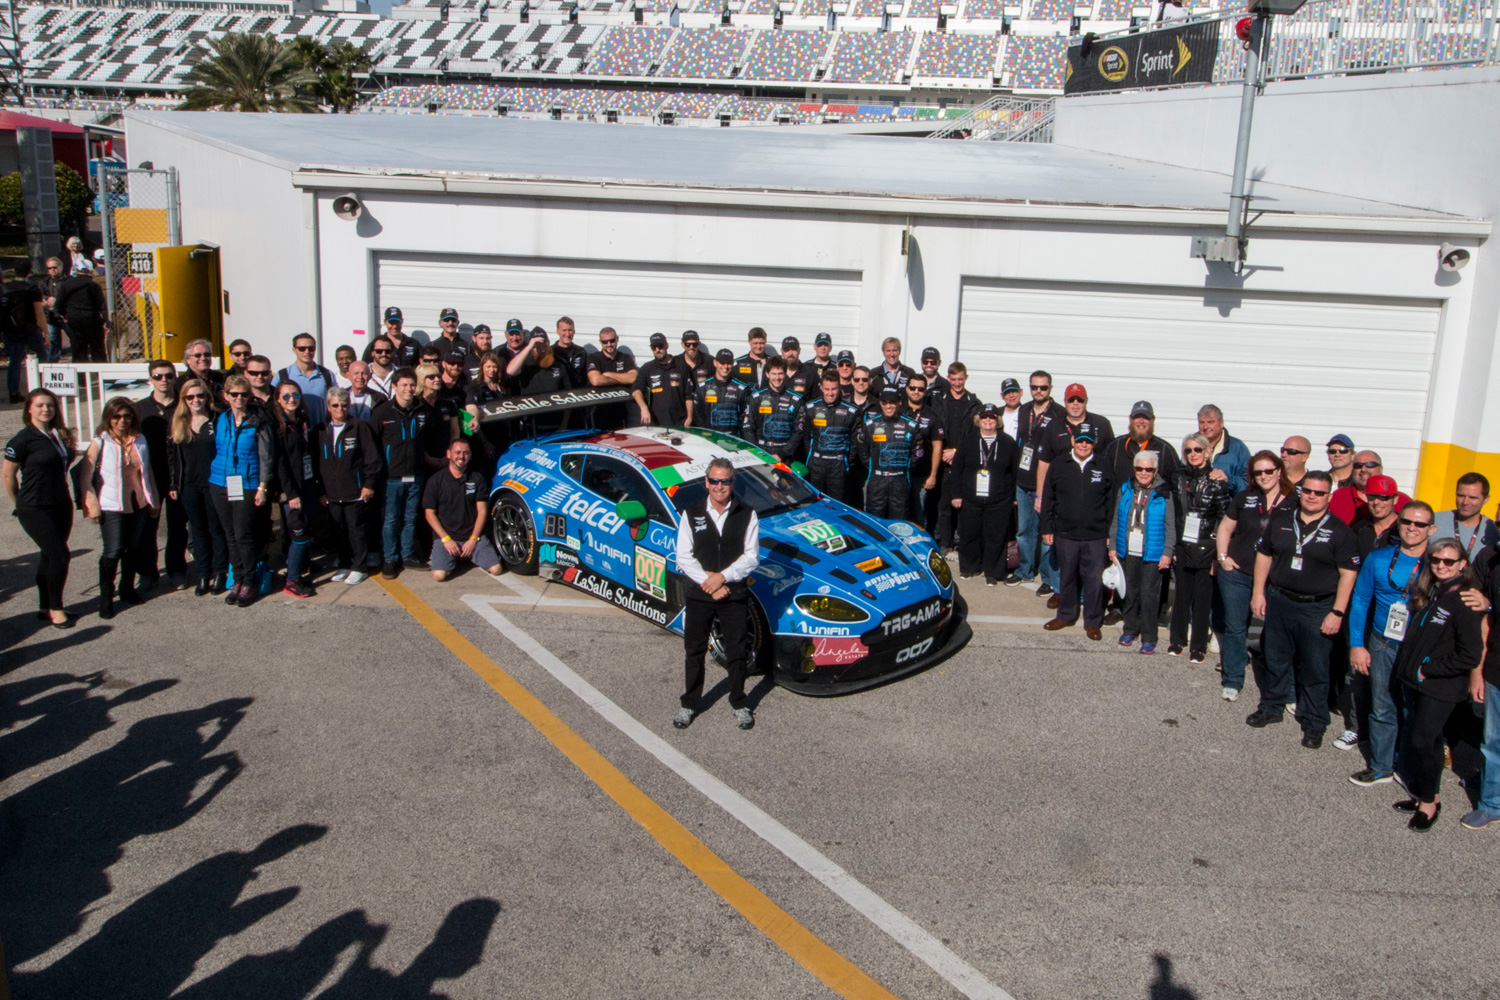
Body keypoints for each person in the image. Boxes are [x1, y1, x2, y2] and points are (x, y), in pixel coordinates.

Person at [1248, 470, 1360, 748]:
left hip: (1317, 608)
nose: (1312, 496)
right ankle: (1272, 707)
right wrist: (1258, 592)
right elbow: (1265, 554)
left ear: (1329, 496)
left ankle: (1314, 722)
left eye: (1319, 493)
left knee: (1315, 667)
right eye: (1307, 491)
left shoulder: (1340, 530)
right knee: (1275, 658)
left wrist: (1337, 612)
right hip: (1280, 600)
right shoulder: (1282, 520)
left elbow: (1348, 574)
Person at [1391, 537, 1485, 832]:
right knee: (1424, 742)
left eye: (1449, 561)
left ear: (1462, 565)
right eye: (1436, 560)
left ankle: (1429, 804)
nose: (1441, 565)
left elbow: (1470, 653)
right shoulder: (1433, 591)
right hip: (1418, 681)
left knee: (1423, 740)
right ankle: (1424, 794)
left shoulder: (1465, 600)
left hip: (1439, 685)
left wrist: (1429, 670)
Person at [1346, 501, 1435, 787]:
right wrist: (1357, 645)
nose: (1412, 528)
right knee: (1382, 705)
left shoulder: (1440, 563)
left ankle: (1408, 766)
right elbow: (1360, 601)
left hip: (1420, 649)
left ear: (1431, 529)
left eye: (1420, 524)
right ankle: (1382, 766)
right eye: (1407, 521)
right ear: (1399, 523)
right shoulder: (1379, 558)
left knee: (1414, 710)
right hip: (1382, 642)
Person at [674, 457, 761, 732]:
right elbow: (683, 557)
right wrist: (709, 582)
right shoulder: (691, 512)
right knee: (694, 650)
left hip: (733, 594)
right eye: (714, 481)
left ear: (733, 483)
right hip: (700, 593)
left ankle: (739, 702)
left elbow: (752, 557)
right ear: (706, 482)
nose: (719, 486)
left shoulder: (747, 513)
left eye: (725, 481)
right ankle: (689, 703)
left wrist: (723, 577)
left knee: (737, 651)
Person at [1214, 451, 1295, 701]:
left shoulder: (1295, 500)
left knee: (1278, 632)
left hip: (1275, 578)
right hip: (1238, 573)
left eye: (1269, 471)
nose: (1263, 476)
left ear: (1279, 470)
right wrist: (1222, 558)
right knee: (1236, 628)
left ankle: (1285, 690)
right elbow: (1226, 527)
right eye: (1258, 472)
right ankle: (1233, 679)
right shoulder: (1245, 497)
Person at [3, 388, 77, 627]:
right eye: (40, 405)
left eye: (50, 405)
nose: (46, 409)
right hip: (34, 507)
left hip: (61, 503)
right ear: (29, 409)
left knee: (49, 555)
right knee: (59, 555)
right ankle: (57, 609)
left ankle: (45, 606)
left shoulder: (58, 435)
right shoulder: (22, 440)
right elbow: (7, 475)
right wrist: (19, 504)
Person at [80, 397, 159, 619]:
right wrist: (92, 505)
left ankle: (127, 589)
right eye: (117, 416)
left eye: (127, 416)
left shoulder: (140, 439)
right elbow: (85, 478)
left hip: (138, 502)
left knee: (133, 548)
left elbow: (147, 472)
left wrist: (154, 500)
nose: (122, 421)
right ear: (109, 418)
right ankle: (106, 596)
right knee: (113, 550)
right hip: (111, 504)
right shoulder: (100, 441)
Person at [1035, 384, 1114, 609]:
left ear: (1086, 401)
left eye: (1080, 400)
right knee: (1060, 555)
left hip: (1092, 507)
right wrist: (1040, 497)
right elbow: (1044, 462)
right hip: (1062, 501)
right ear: (1065, 402)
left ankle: (1088, 604)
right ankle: (1060, 592)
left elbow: (1109, 462)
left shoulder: (1101, 424)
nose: (1076, 404)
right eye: (1071, 400)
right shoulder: (1054, 425)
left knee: (1090, 563)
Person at [208, 374, 275, 607]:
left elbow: (266, 458)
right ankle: (236, 579)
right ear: (226, 396)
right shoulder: (221, 419)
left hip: (247, 483)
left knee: (243, 534)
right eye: (234, 394)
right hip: (219, 481)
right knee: (229, 534)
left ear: (249, 396)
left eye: (243, 394)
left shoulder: (259, 422)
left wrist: (262, 486)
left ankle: (249, 582)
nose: (239, 398)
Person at [1041, 424, 1112, 640]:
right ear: (1073, 441)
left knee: (1093, 580)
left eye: (1088, 441)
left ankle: (1092, 621)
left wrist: (1109, 531)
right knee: (1067, 576)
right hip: (1065, 533)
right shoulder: (1059, 464)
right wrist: (1046, 527)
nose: (1083, 444)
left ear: (1094, 443)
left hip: (1096, 535)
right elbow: (1048, 498)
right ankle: (1066, 615)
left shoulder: (1104, 465)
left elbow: (1111, 501)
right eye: (1080, 440)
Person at [1168, 433, 1232, 661]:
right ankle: (1177, 640)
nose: (1193, 454)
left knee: (1203, 598)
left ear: (1207, 452)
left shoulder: (1217, 481)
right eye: (1188, 450)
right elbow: (1172, 511)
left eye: (1198, 450)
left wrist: (1219, 552)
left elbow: (1224, 518)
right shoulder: (1177, 477)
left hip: (1207, 547)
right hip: (1184, 545)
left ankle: (1198, 645)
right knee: (1181, 595)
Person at [313, 387, 382, 586]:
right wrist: (321, 491)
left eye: (344, 405)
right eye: (335, 405)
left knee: (357, 530)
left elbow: (372, 458)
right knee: (338, 531)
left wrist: (369, 484)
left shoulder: (359, 427)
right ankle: (344, 563)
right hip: (332, 494)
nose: (340, 409)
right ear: (328, 407)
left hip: (356, 492)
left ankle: (360, 567)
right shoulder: (319, 430)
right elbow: (316, 463)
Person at [1109, 451, 1175, 654]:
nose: (1144, 473)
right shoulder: (1126, 488)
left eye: (1148, 469)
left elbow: (1170, 525)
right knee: (1130, 592)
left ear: (1155, 471)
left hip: (1153, 552)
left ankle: (1149, 636)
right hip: (1128, 549)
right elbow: (1116, 519)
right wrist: (1112, 545)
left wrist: (1167, 551)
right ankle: (1129, 629)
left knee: (1149, 595)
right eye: (1139, 468)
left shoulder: (1164, 492)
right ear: (1134, 469)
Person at [372, 369, 435, 578]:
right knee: (391, 519)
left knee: (410, 518)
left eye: (411, 385)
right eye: (404, 385)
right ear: (394, 387)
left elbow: (428, 438)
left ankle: (407, 555)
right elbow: (373, 445)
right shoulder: (382, 412)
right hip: (391, 477)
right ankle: (390, 559)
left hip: (416, 475)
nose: (408, 389)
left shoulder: (421, 410)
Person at [168, 378, 227, 596]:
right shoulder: (179, 421)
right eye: (190, 397)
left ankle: (220, 572)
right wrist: (174, 483)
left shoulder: (218, 419)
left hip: (214, 484)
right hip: (189, 485)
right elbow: (172, 457)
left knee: (216, 530)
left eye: (200, 396)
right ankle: (204, 574)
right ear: (184, 399)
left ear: (207, 397)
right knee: (198, 530)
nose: (196, 400)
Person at [133, 359, 187, 590]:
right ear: (150, 379)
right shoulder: (139, 409)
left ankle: (176, 570)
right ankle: (147, 573)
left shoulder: (184, 405)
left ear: (175, 377)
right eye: (158, 376)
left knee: (177, 526)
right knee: (147, 526)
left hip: (179, 475)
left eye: (168, 375)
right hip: (150, 476)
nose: (163, 380)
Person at [950, 404, 1018, 586]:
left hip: (999, 499)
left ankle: (993, 572)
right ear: (978, 420)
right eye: (985, 417)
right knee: (969, 533)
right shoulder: (967, 440)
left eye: (992, 417)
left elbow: (1014, 472)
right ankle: (969, 567)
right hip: (971, 497)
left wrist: (1012, 496)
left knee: (995, 536)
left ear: (998, 420)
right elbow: (956, 470)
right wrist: (956, 494)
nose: (988, 421)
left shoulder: (1008, 442)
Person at [423, 438, 501, 582]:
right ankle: (457, 557)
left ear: (470, 455)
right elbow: (429, 514)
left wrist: (473, 539)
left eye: (465, 453)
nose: (461, 456)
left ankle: (467, 555)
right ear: (449, 454)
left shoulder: (477, 478)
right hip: (447, 538)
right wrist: (446, 539)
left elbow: (482, 512)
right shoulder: (435, 481)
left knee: (496, 569)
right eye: (457, 452)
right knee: (439, 576)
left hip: (472, 537)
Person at [1016, 370, 1066, 594]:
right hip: (1023, 479)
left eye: (1043, 388)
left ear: (1050, 389)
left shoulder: (1059, 414)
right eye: (1034, 387)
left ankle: (1047, 577)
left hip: (1047, 484)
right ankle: (1025, 570)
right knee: (1024, 530)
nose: (1038, 391)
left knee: (1047, 534)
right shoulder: (1024, 409)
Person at [271, 380, 318, 597]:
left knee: (304, 529)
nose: (292, 400)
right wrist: (290, 493)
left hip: (307, 484)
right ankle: (291, 580)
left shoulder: (302, 420)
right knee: (298, 533)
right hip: (292, 492)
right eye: (286, 396)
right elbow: (279, 463)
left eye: (296, 395)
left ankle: (297, 570)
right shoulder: (277, 426)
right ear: (278, 400)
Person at [931, 362, 982, 554]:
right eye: (953, 379)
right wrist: (945, 452)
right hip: (944, 460)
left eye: (961, 379)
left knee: (963, 506)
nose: (957, 383)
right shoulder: (939, 400)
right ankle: (945, 543)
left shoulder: (974, 404)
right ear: (948, 379)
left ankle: (962, 543)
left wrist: (957, 453)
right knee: (944, 505)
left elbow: (976, 435)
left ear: (966, 378)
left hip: (965, 462)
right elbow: (934, 430)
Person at [857, 387, 917, 520]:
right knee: (875, 520)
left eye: (892, 402)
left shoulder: (911, 425)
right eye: (884, 402)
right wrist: (874, 467)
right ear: (880, 403)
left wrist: (901, 467)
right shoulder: (870, 425)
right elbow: (862, 451)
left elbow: (917, 453)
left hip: (900, 480)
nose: (888, 406)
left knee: (900, 520)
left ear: (899, 402)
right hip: (877, 479)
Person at [799, 370, 860, 500]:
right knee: (815, 501)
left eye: (834, 389)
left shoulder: (851, 410)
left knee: (836, 503)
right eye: (827, 389)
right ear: (821, 387)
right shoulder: (811, 408)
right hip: (817, 463)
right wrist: (812, 458)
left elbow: (854, 441)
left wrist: (846, 462)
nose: (830, 393)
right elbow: (806, 437)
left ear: (839, 388)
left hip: (838, 464)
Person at [901, 374, 944, 532]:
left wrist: (933, 475)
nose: (916, 392)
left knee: (919, 514)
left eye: (920, 389)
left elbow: (938, 447)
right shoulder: (899, 411)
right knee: (900, 513)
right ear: (907, 389)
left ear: (925, 391)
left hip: (921, 475)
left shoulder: (932, 415)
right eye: (913, 388)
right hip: (899, 473)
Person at [1104, 400, 1179, 487]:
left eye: (1146, 417)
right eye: (1137, 416)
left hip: (1153, 500)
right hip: (1121, 499)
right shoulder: (1115, 446)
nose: (1141, 421)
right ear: (1130, 419)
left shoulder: (1165, 449)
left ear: (1153, 420)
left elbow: (1177, 482)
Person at [742, 357, 802, 462]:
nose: (777, 378)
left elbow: (799, 431)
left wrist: (781, 454)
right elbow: (748, 427)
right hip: (761, 451)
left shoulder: (796, 399)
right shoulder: (756, 397)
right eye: (774, 374)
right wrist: (758, 452)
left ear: (785, 374)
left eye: (780, 373)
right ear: (767, 374)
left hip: (785, 455)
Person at [4, 259, 46, 403]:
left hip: (11, 330)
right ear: (30, 271)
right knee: (42, 358)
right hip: (30, 329)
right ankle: (42, 388)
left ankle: (13, 392)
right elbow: (39, 314)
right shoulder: (32, 289)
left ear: (14, 271)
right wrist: (45, 332)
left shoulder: (3, 288)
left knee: (14, 361)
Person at [1329, 450, 1410, 524]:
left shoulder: (1402, 500)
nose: (1363, 469)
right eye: (1358, 465)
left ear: (1381, 469)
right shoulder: (1338, 497)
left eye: (1370, 465)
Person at [1432, 472, 1499, 559]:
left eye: (1472, 498)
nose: (1465, 502)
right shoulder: (1434, 520)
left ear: (1486, 499)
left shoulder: (1493, 529)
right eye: (1461, 496)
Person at [276, 333, 338, 426]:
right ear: (294, 350)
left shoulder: (327, 375)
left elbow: (336, 402)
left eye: (311, 348)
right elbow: (274, 404)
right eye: (302, 349)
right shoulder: (283, 375)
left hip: (321, 431)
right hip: (294, 431)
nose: (307, 351)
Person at [633, 332, 693, 427]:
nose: (657, 350)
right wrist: (643, 407)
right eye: (654, 347)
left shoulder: (681, 366)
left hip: (680, 423)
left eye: (660, 346)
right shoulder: (647, 368)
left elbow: (689, 396)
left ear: (667, 345)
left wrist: (689, 417)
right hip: (656, 424)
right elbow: (636, 390)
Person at [54, 262, 108, 363]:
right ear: (91, 271)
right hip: (92, 319)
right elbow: (102, 305)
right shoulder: (94, 285)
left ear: (77, 270)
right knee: (98, 350)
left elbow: (58, 304)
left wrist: (65, 315)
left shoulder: (66, 284)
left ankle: (81, 377)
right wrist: (106, 320)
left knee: (78, 349)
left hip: (74, 319)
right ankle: (103, 376)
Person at [691, 349, 750, 436]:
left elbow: (745, 418)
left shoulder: (742, 388)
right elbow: (697, 416)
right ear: (715, 363)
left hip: (733, 439)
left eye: (729, 363)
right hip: (710, 438)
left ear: (733, 364)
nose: (725, 366)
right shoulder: (703, 387)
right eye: (722, 362)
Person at [586, 326, 636, 429]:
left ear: (617, 339)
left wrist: (608, 375)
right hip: (599, 411)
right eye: (605, 342)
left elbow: (633, 378)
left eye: (612, 341)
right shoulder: (594, 358)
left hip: (621, 411)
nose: (609, 344)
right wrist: (622, 380)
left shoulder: (625, 358)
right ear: (600, 342)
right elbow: (596, 380)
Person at [1197, 404, 1250, 494]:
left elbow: (1248, 484)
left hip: (1228, 506)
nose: (1205, 427)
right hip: (1197, 506)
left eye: (1210, 422)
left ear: (1221, 423)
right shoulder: (1191, 447)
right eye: (1202, 422)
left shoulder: (1238, 448)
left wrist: (1228, 479)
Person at [1353, 474, 1402, 556]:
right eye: (1371, 497)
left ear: (1395, 499)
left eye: (1383, 497)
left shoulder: (1405, 529)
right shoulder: (1359, 528)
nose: (1376, 502)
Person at [553, 318, 590, 396]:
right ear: (558, 332)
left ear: (574, 332)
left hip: (577, 398)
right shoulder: (551, 352)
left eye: (570, 330)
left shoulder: (581, 352)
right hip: (557, 398)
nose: (567, 334)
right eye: (564, 330)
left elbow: (586, 377)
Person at [39, 257, 65, 362]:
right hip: (50, 314)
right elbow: (41, 295)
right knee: (53, 339)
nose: (52, 270)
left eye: (54, 267)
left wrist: (57, 300)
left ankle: (77, 361)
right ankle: (53, 363)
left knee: (73, 337)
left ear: (60, 267)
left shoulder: (67, 280)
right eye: (49, 268)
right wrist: (46, 300)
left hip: (64, 314)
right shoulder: (44, 282)